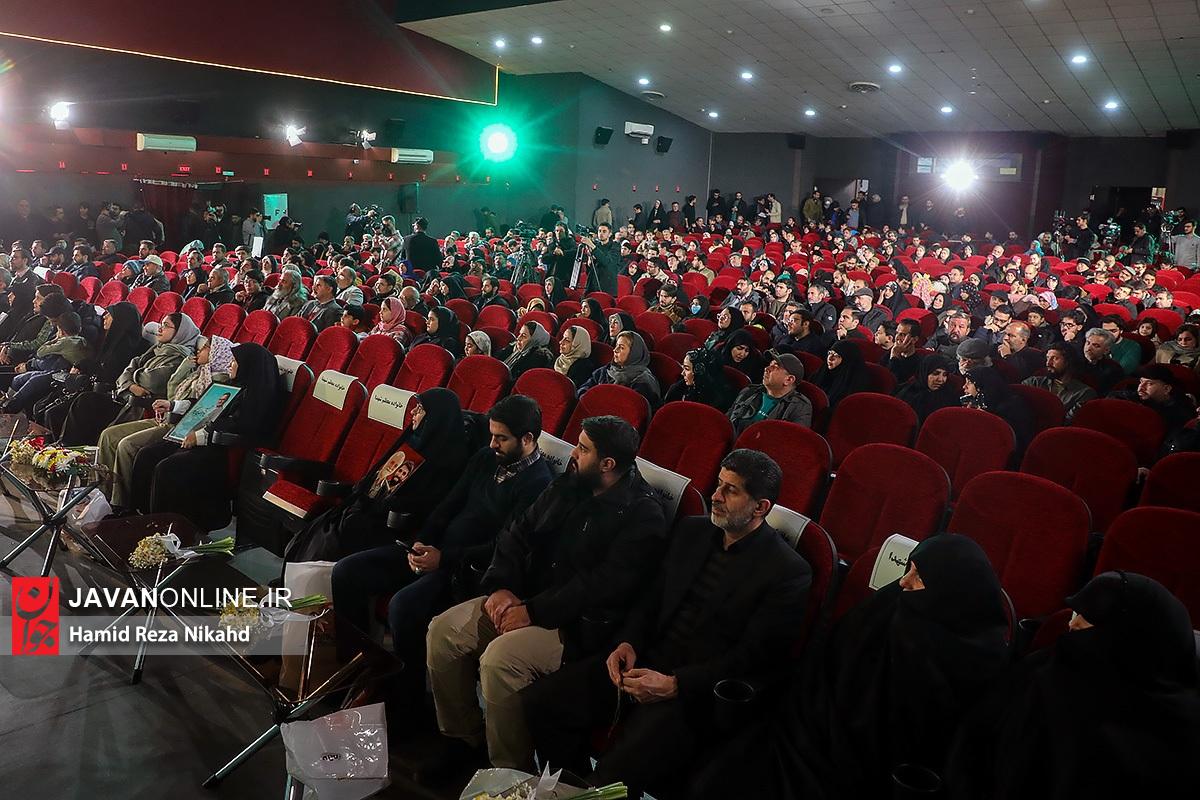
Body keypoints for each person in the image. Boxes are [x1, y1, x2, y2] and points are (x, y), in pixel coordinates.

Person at [525, 450, 811, 794]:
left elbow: (751, 659)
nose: (715, 496)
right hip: (644, 662)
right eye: (718, 484)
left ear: (760, 507)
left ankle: (594, 790)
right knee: (542, 704)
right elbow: (651, 600)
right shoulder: (692, 531)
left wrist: (676, 684)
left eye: (730, 490)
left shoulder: (786, 571)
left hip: (693, 692)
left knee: (613, 774)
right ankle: (574, 786)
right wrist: (628, 642)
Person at [423, 416, 669, 773]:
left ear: (607, 464)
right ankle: (464, 740)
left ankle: (510, 773)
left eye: (583, 449)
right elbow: (516, 533)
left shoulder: (643, 515)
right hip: (525, 599)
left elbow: (600, 586)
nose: (574, 454)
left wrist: (533, 612)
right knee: (443, 631)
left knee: (500, 661)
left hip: (576, 625)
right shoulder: (571, 483)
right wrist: (500, 585)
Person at [691, 535, 1010, 800]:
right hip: (810, 737)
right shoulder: (884, 608)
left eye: (919, 578)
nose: (904, 581)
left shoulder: (978, 663)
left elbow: (950, 748)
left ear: (950, 593)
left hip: (880, 775)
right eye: (909, 568)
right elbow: (822, 669)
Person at [331, 395, 555, 707]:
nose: (492, 443)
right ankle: (359, 667)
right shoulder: (485, 458)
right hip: (435, 551)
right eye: (492, 435)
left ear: (527, 439)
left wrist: (443, 559)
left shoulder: (538, 484)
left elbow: (502, 547)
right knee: (346, 572)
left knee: (403, 606)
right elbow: (448, 506)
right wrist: (422, 541)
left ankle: (407, 700)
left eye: (501, 438)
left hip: (465, 569)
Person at [947, 571, 1200, 800]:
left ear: (1131, 641)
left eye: (1088, 620)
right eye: (1075, 612)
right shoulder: (1043, 671)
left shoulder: (1176, 735)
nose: (1072, 624)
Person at [280, 388, 470, 561]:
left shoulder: (447, 459)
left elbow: (428, 506)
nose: (412, 412)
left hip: (394, 526)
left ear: (435, 418)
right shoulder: (412, 440)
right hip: (369, 511)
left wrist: (381, 506)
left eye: (420, 409)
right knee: (322, 527)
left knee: (343, 531)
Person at [96, 335, 234, 508]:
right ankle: (102, 492)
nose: (200, 350)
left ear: (216, 353)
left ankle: (120, 503)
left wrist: (174, 406)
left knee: (127, 445)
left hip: (179, 426)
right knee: (108, 435)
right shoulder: (199, 373)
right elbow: (172, 393)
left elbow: (200, 411)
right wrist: (183, 369)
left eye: (206, 347)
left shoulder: (220, 383)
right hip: (166, 417)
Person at [59, 312, 200, 446]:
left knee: (89, 404)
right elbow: (127, 370)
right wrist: (131, 385)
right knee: (84, 401)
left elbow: (152, 381)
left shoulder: (180, 357)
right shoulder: (158, 349)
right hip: (126, 396)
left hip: (140, 406)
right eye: (161, 324)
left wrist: (132, 376)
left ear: (180, 332)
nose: (160, 328)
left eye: (166, 325)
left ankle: (73, 452)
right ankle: (66, 449)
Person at [727, 351, 811, 434]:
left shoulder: (800, 407)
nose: (766, 369)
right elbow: (727, 421)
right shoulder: (749, 391)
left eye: (775, 367)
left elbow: (792, 440)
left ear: (789, 380)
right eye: (770, 364)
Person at [576, 331, 661, 408]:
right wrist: (589, 400)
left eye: (621, 347)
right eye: (616, 346)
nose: (615, 350)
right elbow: (584, 389)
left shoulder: (643, 381)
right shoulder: (607, 370)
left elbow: (633, 409)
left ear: (634, 353)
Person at [962, 366, 1035, 448]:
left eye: (969, 382)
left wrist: (986, 418)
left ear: (982, 384)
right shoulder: (977, 402)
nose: (964, 386)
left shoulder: (1012, 406)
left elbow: (1014, 439)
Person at [1023, 343, 1098, 421]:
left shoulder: (1083, 393)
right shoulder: (1033, 382)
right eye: (1048, 358)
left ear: (1068, 362)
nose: (1048, 363)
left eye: (1055, 358)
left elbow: (1067, 421)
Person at [664, 347, 737, 411]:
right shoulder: (679, 388)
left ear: (700, 372)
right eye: (683, 368)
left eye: (687, 369)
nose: (682, 373)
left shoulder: (720, 400)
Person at [895, 353, 960, 423]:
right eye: (935, 373)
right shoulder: (909, 395)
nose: (941, 379)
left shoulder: (950, 396)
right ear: (924, 373)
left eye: (945, 375)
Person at [813, 340, 870, 410]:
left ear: (847, 360)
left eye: (836, 355)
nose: (830, 358)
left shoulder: (854, 384)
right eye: (830, 353)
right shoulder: (823, 372)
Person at [1081, 328, 1125, 394]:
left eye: (1096, 346)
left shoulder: (1114, 369)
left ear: (1106, 350)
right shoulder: (1074, 361)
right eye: (1088, 343)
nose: (1089, 348)